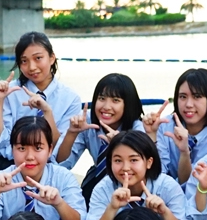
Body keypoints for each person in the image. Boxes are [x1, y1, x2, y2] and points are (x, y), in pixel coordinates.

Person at [0, 31, 81, 177]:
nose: (31, 67)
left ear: (51, 58)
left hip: (47, 171)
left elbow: (59, 150)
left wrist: (47, 112)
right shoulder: (9, 91)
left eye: (38, 58)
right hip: (7, 167)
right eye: (24, 61)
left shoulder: (70, 99)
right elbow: (0, 141)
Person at [57, 72, 144, 200]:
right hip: (97, 184)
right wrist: (71, 133)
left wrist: (120, 145)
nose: (106, 107)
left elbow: (144, 170)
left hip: (129, 185)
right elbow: (61, 164)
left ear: (128, 104)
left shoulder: (136, 128)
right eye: (102, 98)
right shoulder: (87, 122)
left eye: (115, 100)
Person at [152, 67, 207, 183]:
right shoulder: (163, 127)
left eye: (197, 96)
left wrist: (184, 152)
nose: (188, 104)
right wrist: (151, 135)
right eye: (183, 97)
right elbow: (156, 175)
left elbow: (191, 184)